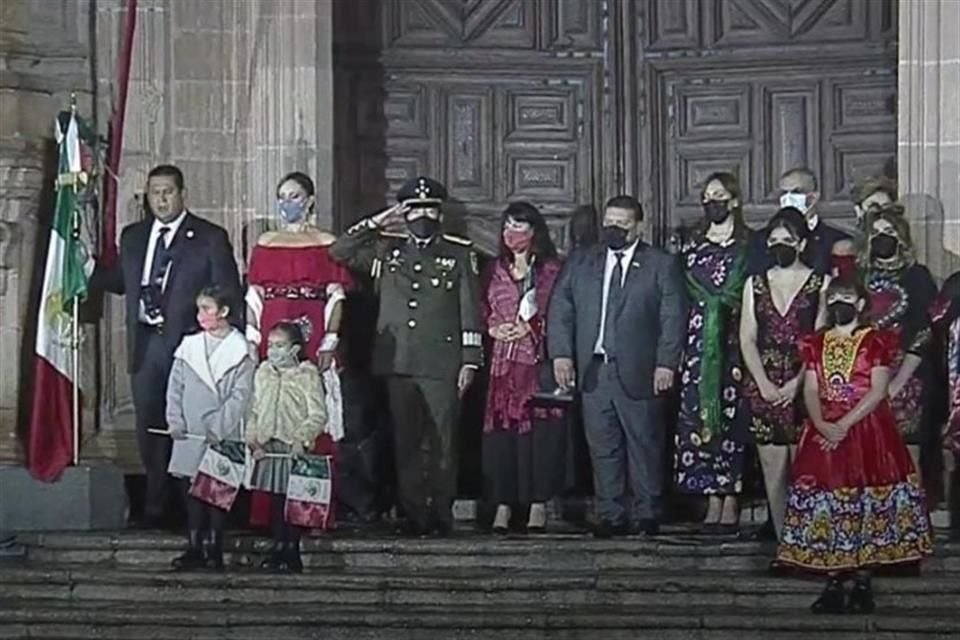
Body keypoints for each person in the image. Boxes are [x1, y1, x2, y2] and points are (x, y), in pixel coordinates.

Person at [90, 164, 242, 526]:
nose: (160, 199)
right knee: (151, 426)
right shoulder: (134, 236)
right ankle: (156, 507)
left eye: (167, 192)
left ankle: (192, 509)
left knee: (188, 428)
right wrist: (84, 265)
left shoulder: (208, 236)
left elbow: (227, 292)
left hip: (190, 349)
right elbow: (121, 281)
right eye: (154, 192)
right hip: (146, 344)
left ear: (181, 193)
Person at [330, 176, 483, 536]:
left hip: (442, 363)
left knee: (443, 441)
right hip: (398, 363)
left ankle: (441, 513)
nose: (423, 216)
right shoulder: (388, 251)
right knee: (407, 442)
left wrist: (470, 359)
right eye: (415, 210)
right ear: (405, 213)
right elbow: (340, 251)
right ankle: (415, 513)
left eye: (430, 209)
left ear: (441, 214)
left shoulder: (459, 254)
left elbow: (469, 310)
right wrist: (378, 222)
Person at [775, 277, 932, 613]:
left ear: (861, 304)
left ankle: (862, 580)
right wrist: (821, 424)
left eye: (846, 297)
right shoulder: (816, 342)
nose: (839, 304)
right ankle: (833, 579)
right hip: (825, 429)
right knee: (829, 500)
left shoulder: (875, 340)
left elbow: (878, 390)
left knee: (864, 498)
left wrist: (844, 425)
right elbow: (811, 389)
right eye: (834, 298)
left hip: (867, 429)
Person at [548, 195, 685, 537]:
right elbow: (561, 309)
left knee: (644, 444)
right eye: (609, 222)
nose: (614, 229)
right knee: (603, 446)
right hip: (595, 372)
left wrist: (666, 363)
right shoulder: (582, 261)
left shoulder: (660, 264)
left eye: (622, 224)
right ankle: (611, 513)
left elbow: (672, 317)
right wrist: (561, 354)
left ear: (638, 225)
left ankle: (647, 511)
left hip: (640, 370)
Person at [245, 171, 351, 530]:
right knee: (269, 410)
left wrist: (330, 340)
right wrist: (251, 338)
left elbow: (337, 294)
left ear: (309, 200)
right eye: (281, 196)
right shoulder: (266, 242)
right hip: (274, 328)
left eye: (293, 196)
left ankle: (311, 510)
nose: (286, 203)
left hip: (312, 326)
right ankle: (268, 512)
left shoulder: (326, 242)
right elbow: (254, 296)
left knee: (312, 413)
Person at [739, 208, 828, 538]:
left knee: (806, 469)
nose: (780, 247)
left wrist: (798, 382)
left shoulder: (822, 283)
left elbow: (820, 339)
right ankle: (783, 541)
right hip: (764, 384)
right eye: (774, 241)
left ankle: (809, 541)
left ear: (802, 243)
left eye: (787, 241)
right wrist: (762, 383)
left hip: (805, 385)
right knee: (773, 472)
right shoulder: (755, 284)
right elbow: (747, 337)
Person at [675, 172, 752, 534]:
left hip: (736, 343)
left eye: (719, 195)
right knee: (698, 418)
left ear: (734, 200)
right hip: (697, 345)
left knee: (733, 419)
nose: (712, 202)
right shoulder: (692, 244)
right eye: (707, 196)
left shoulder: (750, 245)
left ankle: (732, 495)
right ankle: (709, 496)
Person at [482, 202, 562, 534]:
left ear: (534, 232)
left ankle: (537, 504)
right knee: (502, 437)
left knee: (537, 438)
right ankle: (502, 504)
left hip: (536, 364)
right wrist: (492, 327)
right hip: (502, 367)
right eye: (506, 227)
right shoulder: (492, 270)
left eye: (519, 227)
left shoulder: (551, 271)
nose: (511, 234)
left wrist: (531, 327)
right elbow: (479, 308)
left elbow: (561, 313)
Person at [166, 286, 254, 570]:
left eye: (207, 308)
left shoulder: (241, 350)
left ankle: (214, 549)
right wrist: (175, 420)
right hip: (189, 429)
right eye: (199, 308)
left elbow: (241, 395)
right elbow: (175, 387)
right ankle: (194, 546)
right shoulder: (189, 345)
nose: (200, 314)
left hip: (222, 432)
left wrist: (219, 425)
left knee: (217, 493)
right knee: (191, 490)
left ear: (224, 311)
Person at [859, 205, 938, 472]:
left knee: (906, 456)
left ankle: (911, 511)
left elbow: (924, 331)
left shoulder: (917, 277)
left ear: (901, 238)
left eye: (889, 231)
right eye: (876, 232)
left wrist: (898, 383)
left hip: (907, 378)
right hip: (863, 377)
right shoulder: (860, 278)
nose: (882, 237)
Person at [246, 322, 328, 573]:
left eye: (279, 346)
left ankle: (292, 550)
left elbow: (318, 414)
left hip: (293, 447)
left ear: (294, 348)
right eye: (270, 345)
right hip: (268, 445)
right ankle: (277, 547)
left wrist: (302, 439)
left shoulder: (307, 375)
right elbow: (255, 408)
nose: (273, 351)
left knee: (292, 502)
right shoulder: (263, 373)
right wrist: (253, 439)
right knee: (274, 499)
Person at [772, 167, 850, 275]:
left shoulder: (836, 240)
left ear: (813, 198)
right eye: (783, 193)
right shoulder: (761, 240)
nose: (787, 197)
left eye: (796, 192)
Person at [831, 176, 898, 279]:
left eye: (886, 207)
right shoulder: (845, 251)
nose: (879, 212)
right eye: (873, 207)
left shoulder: (900, 246)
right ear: (859, 210)